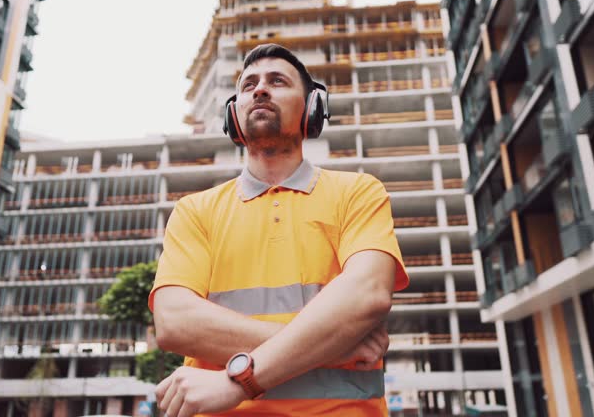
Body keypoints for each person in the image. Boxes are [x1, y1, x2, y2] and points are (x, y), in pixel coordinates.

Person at [149, 43, 408, 417]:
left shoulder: (358, 192)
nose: (259, 89)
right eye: (248, 84)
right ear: (233, 116)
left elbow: (366, 295)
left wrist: (238, 379)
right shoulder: (195, 211)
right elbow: (174, 322)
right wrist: (336, 346)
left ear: (312, 109)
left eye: (277, 81)